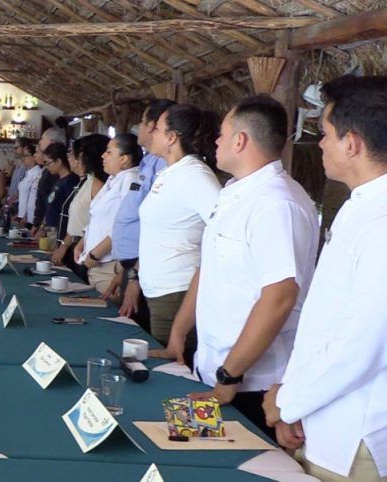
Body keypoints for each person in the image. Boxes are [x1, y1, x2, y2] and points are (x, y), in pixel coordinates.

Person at [151, 97, 319, 440]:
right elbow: (208, 268)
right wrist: (179, 333)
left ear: (240, 141)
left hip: (250, 384)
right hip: (214, 370)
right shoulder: (234, 193)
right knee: (188, 451)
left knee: (229, 459)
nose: (215, 141)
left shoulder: (276, 203)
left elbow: (280, 297)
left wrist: (230, 375)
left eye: (222, 134)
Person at [262, 75, 387, 482]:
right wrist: (293, 399)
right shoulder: (360, 205)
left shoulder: (382, 222)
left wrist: (288, 401)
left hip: (354, 438)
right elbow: (324, 319)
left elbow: (361, 346)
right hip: (320, 416)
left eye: (326, 134)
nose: (319, 145)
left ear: (352, 143)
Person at [138, 104, 222, 348]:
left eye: (157, 129)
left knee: (171, 363)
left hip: (177, 292)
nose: (151, 133)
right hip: (159, 290)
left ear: (171, 137)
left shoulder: (195, 176)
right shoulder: (171, 172)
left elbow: (223, 227)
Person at [111, 99, 176, 329]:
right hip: (132, 264)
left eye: (142, 121)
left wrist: (136, 276)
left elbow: (158, 227)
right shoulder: (149, 161)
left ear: (153, 126)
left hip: (145, 269)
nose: (138, 126)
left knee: (136, 333)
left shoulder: (165, 167)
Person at [74, 134, 141, 294]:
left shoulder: (131, 180)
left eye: (109, 152)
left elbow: (125, 225)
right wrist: (82, 243)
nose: (103, 156)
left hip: (109, 263)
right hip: (96, 261)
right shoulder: (114, 178)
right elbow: (97, 217)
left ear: (124, 159)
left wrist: (95, 254)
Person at [53, 134, 109, 281]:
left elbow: (97, 222)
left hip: (84, 247)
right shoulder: (86, 181)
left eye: (75, 155)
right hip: (76, 246)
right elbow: (75, 221)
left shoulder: (98, 185)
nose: (72, 159)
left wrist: (69, 245)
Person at [32, 142, 78, 236]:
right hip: (49, 229)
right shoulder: (57, 180)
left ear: (59, 161)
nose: (46, 166)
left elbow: (70, 211)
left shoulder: (70, 182)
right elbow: (50, 207)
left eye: (48, 163)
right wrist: (42, 227)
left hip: (60, 231)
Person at [15, 140, 44, 226]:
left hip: (29, 217)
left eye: (26, 156)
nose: (23, 158)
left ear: (33, 157)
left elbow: (33, 197)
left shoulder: (37, 173)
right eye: (22, 156)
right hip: (22, 215)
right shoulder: (28, 173)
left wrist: (25, 215)